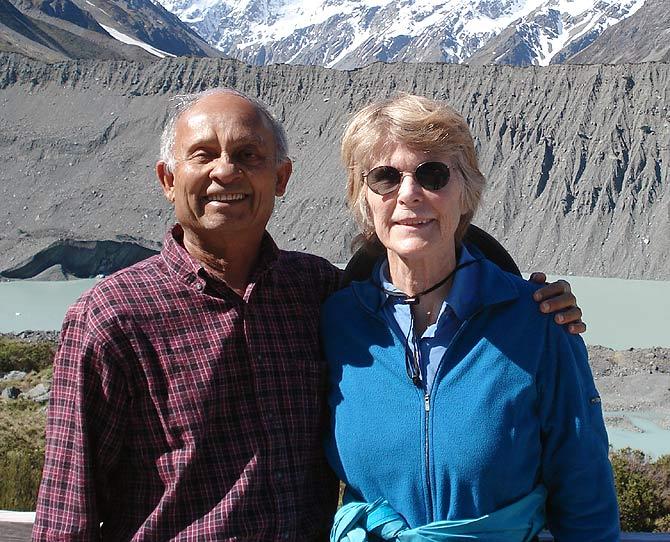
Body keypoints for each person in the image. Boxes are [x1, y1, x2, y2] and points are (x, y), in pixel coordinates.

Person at [33, 88, 585, 541]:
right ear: (167, 179)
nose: (227, 171)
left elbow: (421, 260)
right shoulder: (111, 319)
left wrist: (530, 299)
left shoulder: (319, 293)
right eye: (203, 154)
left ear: (282, 177)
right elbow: (66, 516)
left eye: (250, 155)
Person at [321, 94, 619, 541]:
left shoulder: (539, 322)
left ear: (465, 192)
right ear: (364, 198)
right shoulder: (336, 322)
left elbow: (585, 495)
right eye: (384, 178)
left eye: (432, 174)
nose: (408, 194)